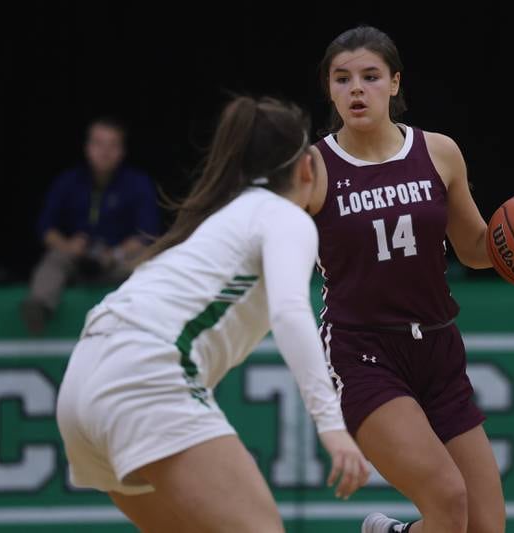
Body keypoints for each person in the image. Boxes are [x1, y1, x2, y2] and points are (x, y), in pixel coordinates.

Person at [308, 26, 514, 533]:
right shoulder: (313, 168)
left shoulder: (438, 152)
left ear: (395, 83)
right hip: (363, 352)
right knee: (447, 500)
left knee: (486, 527)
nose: (357, 89)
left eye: (371, 76)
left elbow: (476, 247)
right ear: (330, 90)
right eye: (342, 78)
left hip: (437, 349)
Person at [56, 95, 371, 533]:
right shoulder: (284, 216)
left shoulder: (215, 218)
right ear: (305, 168)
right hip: (145, 376)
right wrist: (331, 425)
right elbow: (290, 312)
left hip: (82, 384)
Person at [20, 117, 160, 335]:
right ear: (87, 147)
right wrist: (68, 246)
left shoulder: (138, 183)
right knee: (54, 259)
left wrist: (115, 253)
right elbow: (46, 228)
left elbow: (148, 232)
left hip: (116, 261)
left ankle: (148, 316)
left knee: (147, 261)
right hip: (77, 259)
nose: (105, 152)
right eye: (98, 144)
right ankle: (40, 307)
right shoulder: (68, 181)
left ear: (122, 151)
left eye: (112, 145)